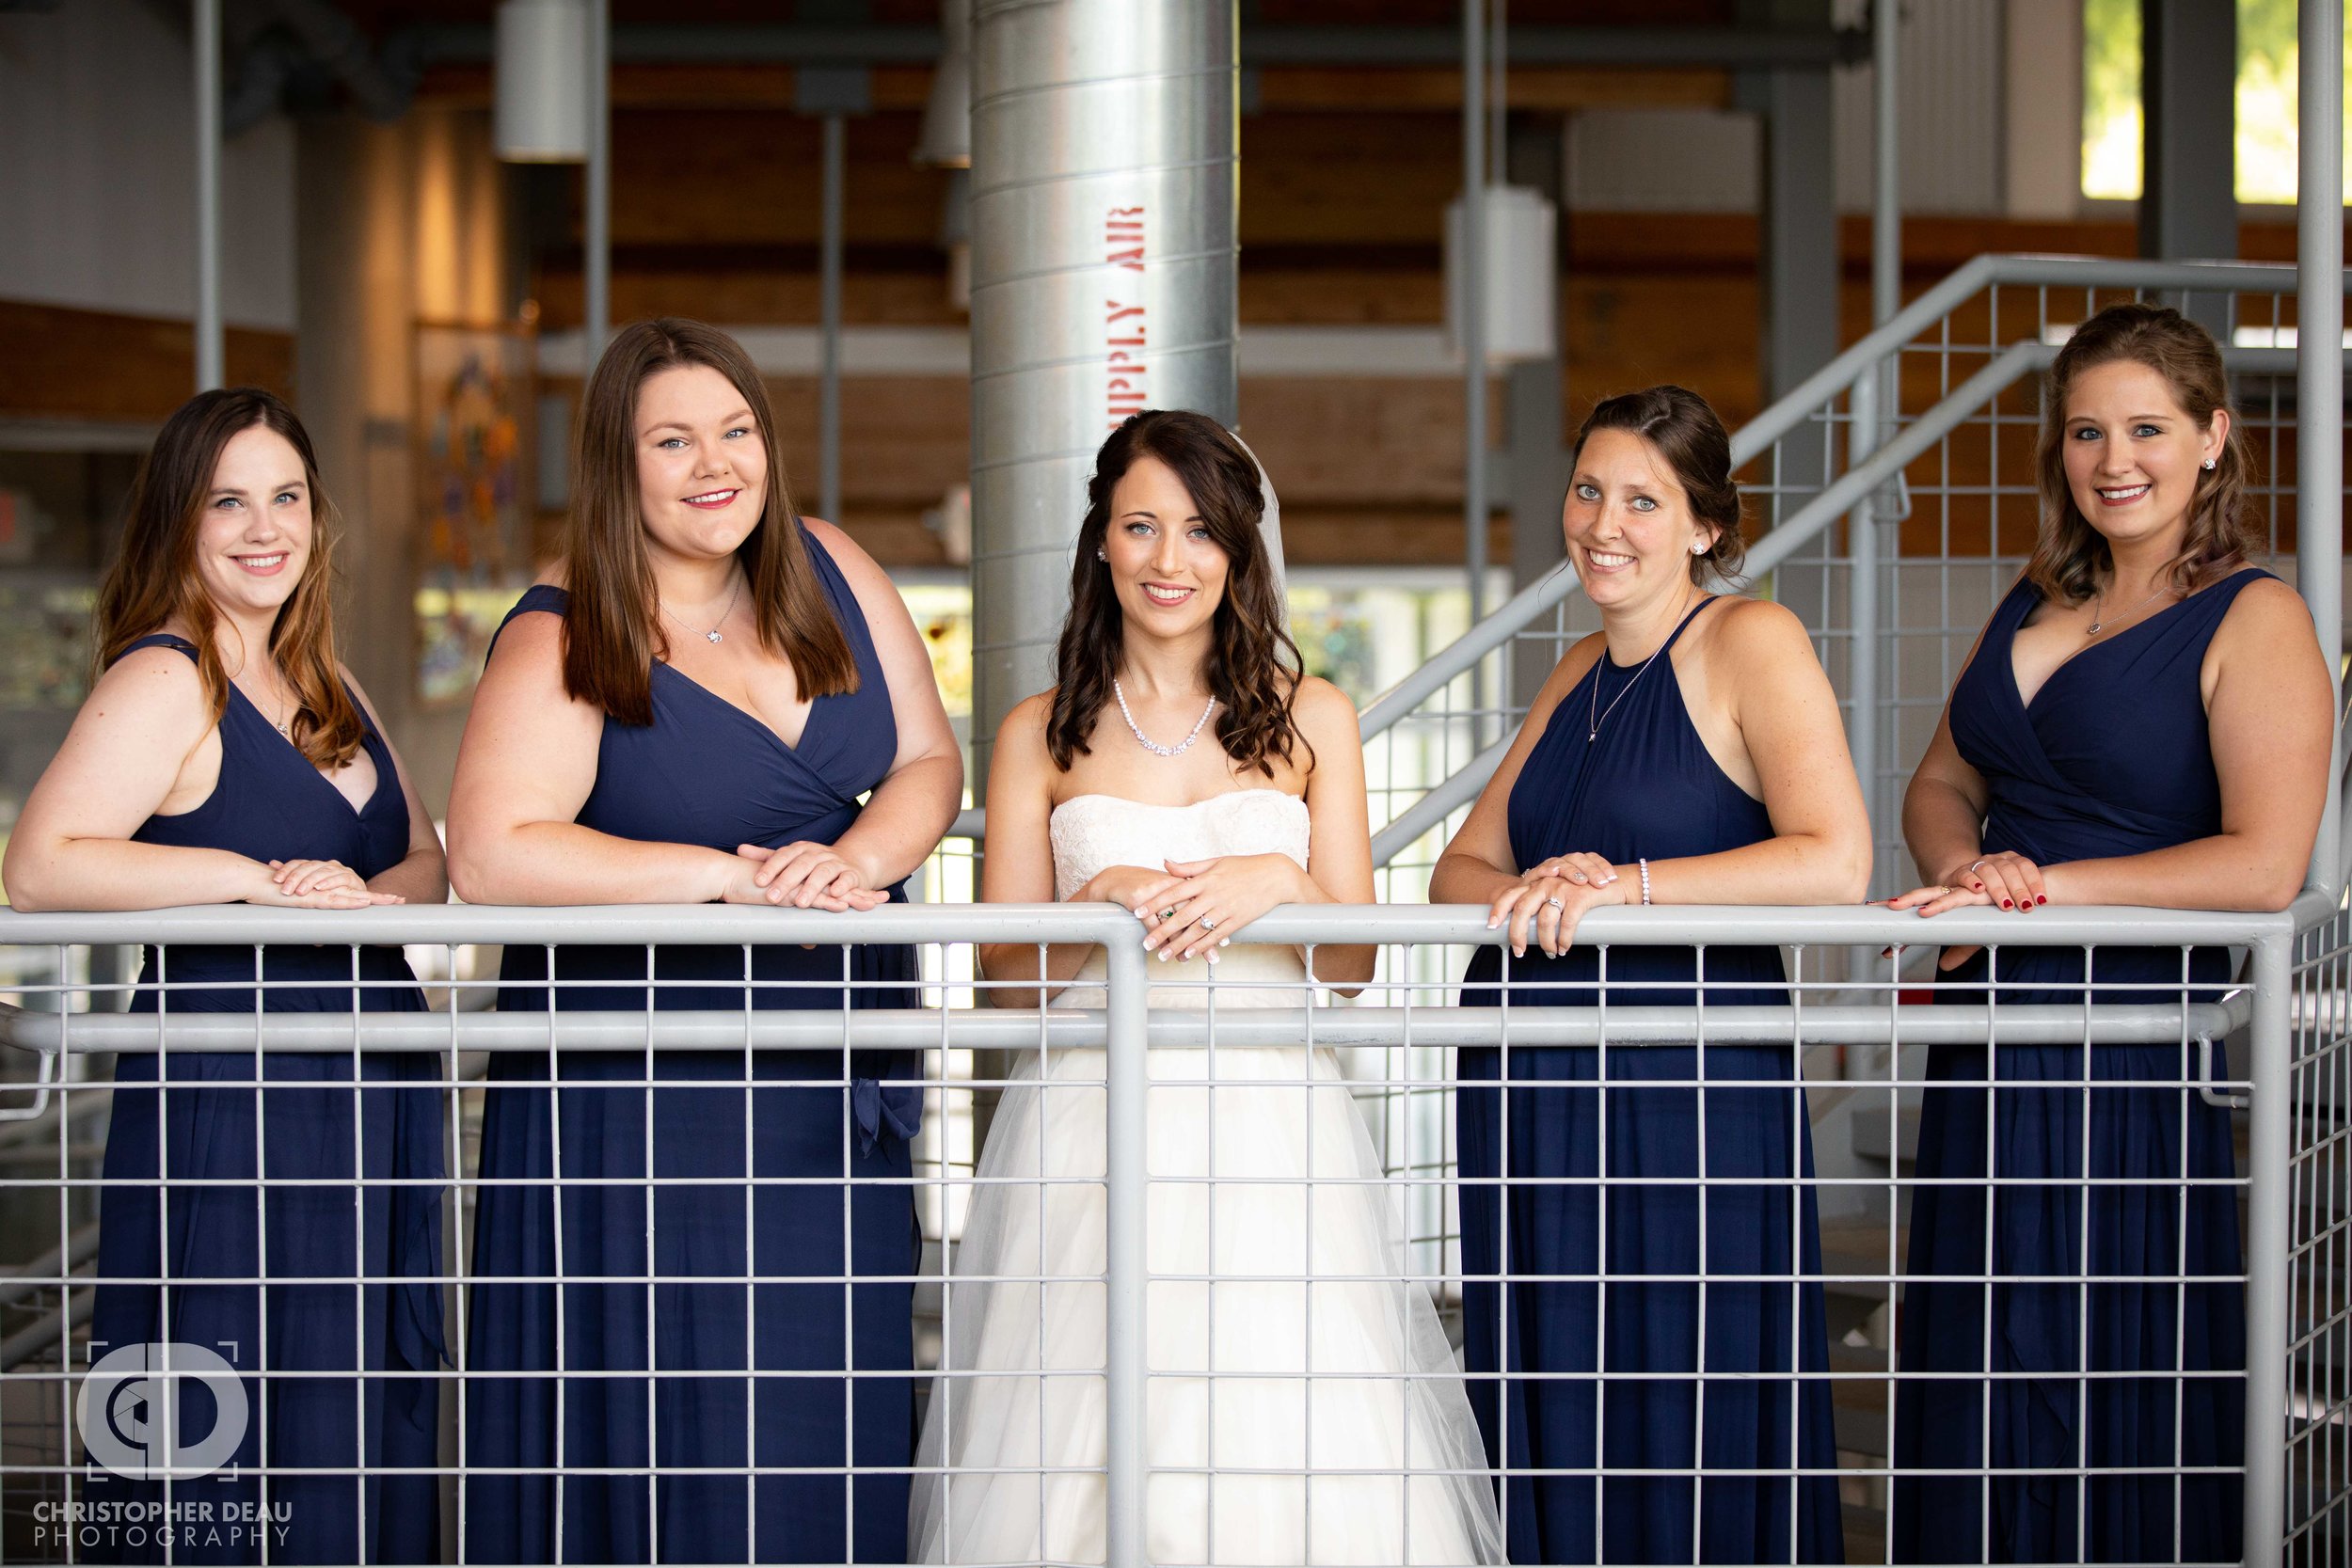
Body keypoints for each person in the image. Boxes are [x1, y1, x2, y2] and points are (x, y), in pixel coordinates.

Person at [907, 409, 1502, 1565]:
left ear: (1237, 552)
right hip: (1093, 1115)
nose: (1167, 560)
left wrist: (1277, 881)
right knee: (1085, 1395)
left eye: (1196, 532)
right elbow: (1006, 982)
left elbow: (1350, 962)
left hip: (1272, 1110)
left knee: (1283, 1392)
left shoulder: (1310, 712)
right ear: (1101, 544)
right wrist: (1101, 904)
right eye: (1140, 526)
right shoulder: (1038, 732)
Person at [445, 318, 962, 1563]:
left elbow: (927, 761)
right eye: (672, 439)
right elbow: (491, 850)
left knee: (821, 1402)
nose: (712, 463)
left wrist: (859, 860)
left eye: (734, 432)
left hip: (824, 1085)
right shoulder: (562, 632)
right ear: (618, 464)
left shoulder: (833, 565)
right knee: (671, 1407)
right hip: (642, 1095)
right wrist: (727, 882)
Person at [1883, 302, 2329, 1563]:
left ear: (2214, 440)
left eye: (2146, 426)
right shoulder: (2034, 591)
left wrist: (2041, 889)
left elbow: (2264, 863)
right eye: (2088, 429)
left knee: (2101, 1347)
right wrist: (1967, 868)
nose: (2114, 457)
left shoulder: (2259, 618)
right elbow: (1937, 782)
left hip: (2126, 1035)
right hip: (1986, 1029)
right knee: (1977, 1341)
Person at [3, 388, 448, 1563]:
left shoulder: (326, 681)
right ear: (179, 521)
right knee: (237, 1373)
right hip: (236, 1078)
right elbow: (40, 867)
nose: (266, 527)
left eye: (287, 497)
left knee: (356, 1382)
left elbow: (424, 863)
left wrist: (356, 901)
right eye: (229, 501)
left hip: (370, 1079)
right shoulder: (167, 676)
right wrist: (253, 880)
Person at [1430, 385, 1868, 1564]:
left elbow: (1835, 859)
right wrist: (1533, 894)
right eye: (1587, 490)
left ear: (1705, 526)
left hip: (1683, 1086)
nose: (1603, 523)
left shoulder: (1749, 639)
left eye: (1642, 499)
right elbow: (1460, 867)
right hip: (1535, 1084)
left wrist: (1621, 886)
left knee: (1685, 1375)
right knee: (1550, 1377)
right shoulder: (1576, 666)